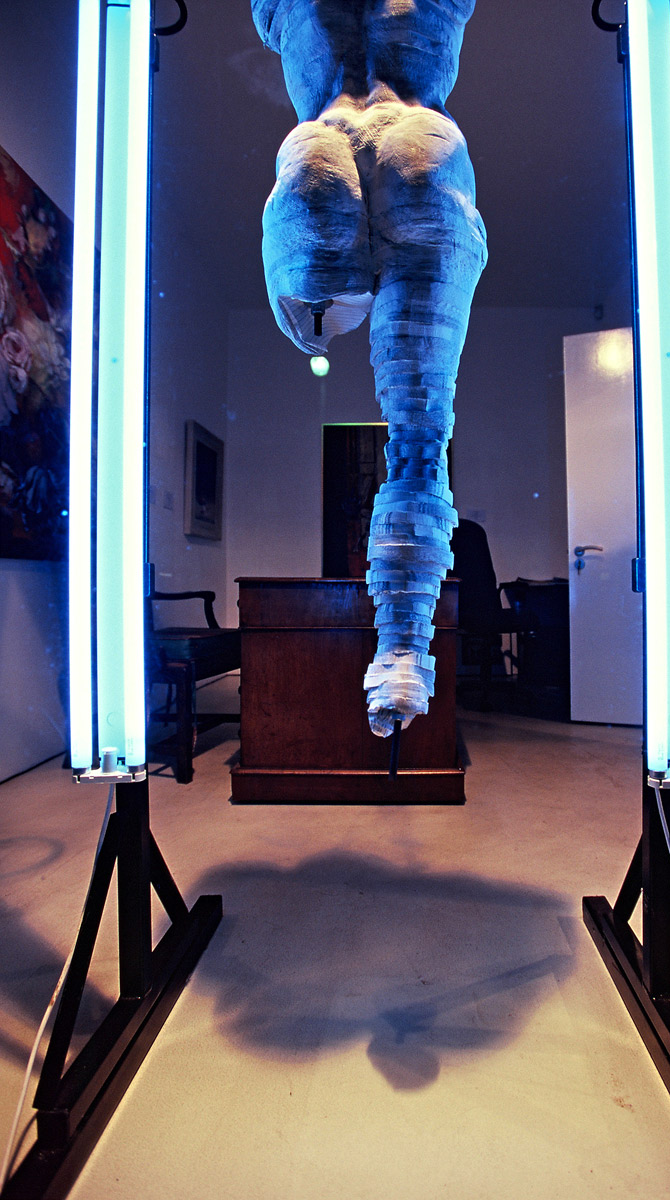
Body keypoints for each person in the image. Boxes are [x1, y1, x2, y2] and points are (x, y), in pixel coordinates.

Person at [252, 0, 487, 735]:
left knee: (322, 331)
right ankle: (403, 649)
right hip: (422, 144)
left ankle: (405, 648)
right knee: (418, 441)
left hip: (317, 148)